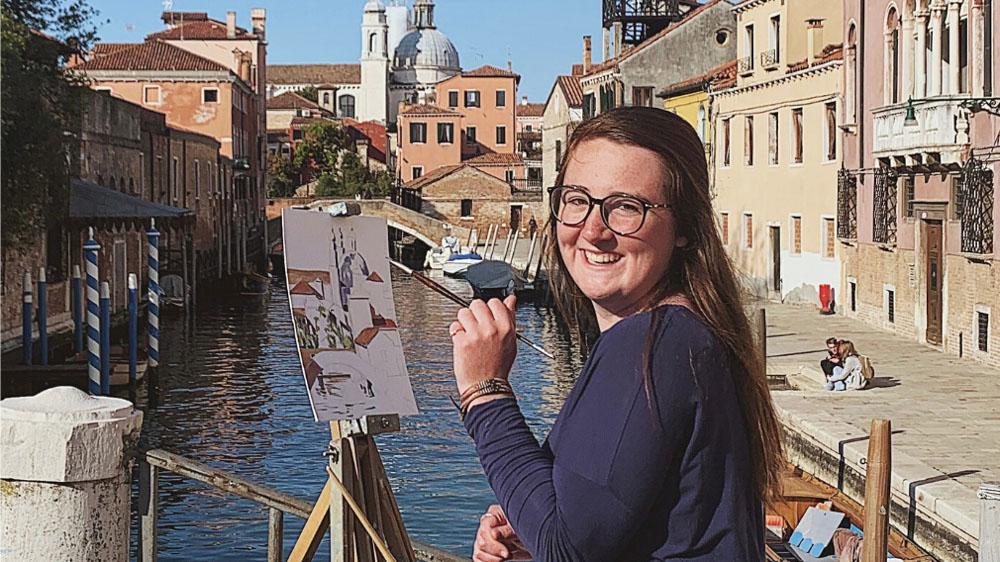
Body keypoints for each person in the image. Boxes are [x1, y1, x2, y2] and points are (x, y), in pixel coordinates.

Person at [449, 107, 783, 561]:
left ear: (683, 227)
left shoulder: (655, 343)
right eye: (576, 200)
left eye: (627, 207)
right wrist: (527, 522)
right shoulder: (682, 335)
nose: (592, 229)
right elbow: (593, 524)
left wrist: (484, 391)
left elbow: (566, 547)